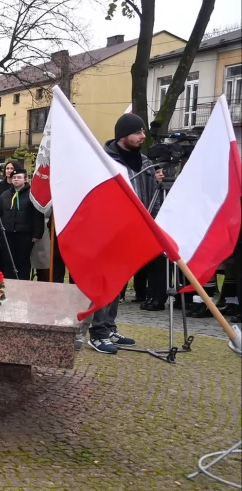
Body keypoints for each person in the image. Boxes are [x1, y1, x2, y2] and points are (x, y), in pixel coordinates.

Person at [88, 113, 164, 354]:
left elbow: (152, 199)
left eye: (143, 131)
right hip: (108, 233)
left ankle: (109, 327)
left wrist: (157, 187)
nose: (143, 136)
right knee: (105, 282)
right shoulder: (104, 162)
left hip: (134, 234)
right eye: (137, 132)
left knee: (119, 282)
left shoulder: (146, 163)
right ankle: (97, 333)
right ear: (123, 136)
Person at [0, 171, 44, 280]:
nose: (16, 179)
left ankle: (23, 283)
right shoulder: (4, 195)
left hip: (25, 235)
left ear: (25, 179)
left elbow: (37, 215)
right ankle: (10, 283)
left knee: (23, 261)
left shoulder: (31, 196)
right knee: (8, 261)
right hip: (7, 234)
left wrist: (37, 233)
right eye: (14, 177)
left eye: (19, 177)